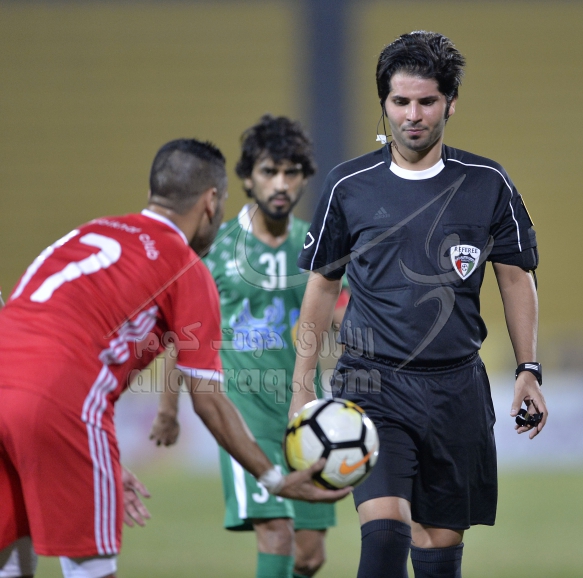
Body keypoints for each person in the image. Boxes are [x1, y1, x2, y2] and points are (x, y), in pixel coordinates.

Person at [0, 138, 349, 578]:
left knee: (12, 550)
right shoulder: (185, 266)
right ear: (211, 201)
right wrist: (275, 479)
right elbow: (209, 400)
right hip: (62, 399)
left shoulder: (88, 232)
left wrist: (94, 456)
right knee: (91, 568)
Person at [289, 31, 548, 578]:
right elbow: (321, 287)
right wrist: (301, 385)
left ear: (450, 103)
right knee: (385, 535)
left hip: (457, 390)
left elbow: (515, 278)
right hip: (372, 385)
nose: (412, 115)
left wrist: (528, 368)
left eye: (426, 101)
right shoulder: (348, 185)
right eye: (400, 101)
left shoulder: (488, 182)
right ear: (383, 104)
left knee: (437, 557)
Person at [150, 115, 349, 578]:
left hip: (303, 412)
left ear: (304, 178)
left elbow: (344, 320)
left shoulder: (315, 244)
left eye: (292, 172)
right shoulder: (216, 247)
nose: (281, 183)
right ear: (246, 178)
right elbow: (183, 335)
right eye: (269, 171)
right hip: (243, 414)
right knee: (275, 531)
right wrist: (167, 408)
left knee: (310, 555)